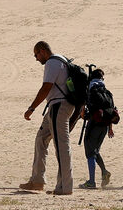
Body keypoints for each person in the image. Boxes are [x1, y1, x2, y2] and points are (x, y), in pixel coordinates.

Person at [20, 41, 79, 195]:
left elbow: (46, 87)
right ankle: (37, 181)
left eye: (36, 54)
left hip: (59, 106)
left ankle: (65, 187)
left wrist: (31, 108)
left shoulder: (53, 62)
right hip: (56, 107)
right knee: (41, 138)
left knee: (62, 146)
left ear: (43, 51)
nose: (36, 58)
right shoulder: (62, 61)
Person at [80, 68, 116, 190]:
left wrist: (83, 114)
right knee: (95, 151)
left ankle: (91, 181)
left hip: (94, 125)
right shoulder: (108, 93)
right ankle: (104, 172)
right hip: (105, 127)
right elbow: (111, 111)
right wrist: (110, 128)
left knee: (90, 153)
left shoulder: (91, 90)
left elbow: (86, 110)